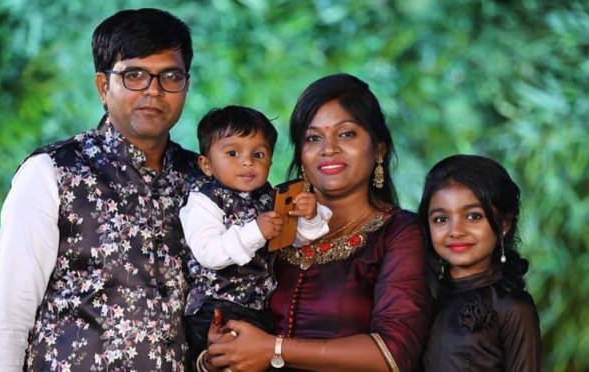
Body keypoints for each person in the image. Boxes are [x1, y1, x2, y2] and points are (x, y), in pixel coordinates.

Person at [0, 8, 201, 371]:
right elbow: (8, 314)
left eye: (170, 76)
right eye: (134, 75)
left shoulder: (204, 181)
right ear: (103, 86)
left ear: (186, 85)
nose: (154, 91)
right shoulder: (52, 172)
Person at [204, 73, 432, 372]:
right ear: (301, 155)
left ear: (379, 149)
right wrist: (216, 357)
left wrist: (272, 348)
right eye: (313, 138)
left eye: (346, 134)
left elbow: (394, 353)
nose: (329, 148)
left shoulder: (399, 233)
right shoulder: (266, 221)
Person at [179, 105, 332, 370]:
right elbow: (209, 253)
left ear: (270, 162)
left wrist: (309, 217)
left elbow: (295, 240)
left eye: (258, 154)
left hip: (258, 310)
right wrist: (255, 231)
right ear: (206, 164)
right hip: (217, 308)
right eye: (232, 153)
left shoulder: (268, 197)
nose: (247, 161)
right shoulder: (203, 200)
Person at [417, 154, 541, 371]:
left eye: (473, 216)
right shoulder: (420, 296)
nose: (455, 231)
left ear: (504, 223)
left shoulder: (513, 307)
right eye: (441, 219)